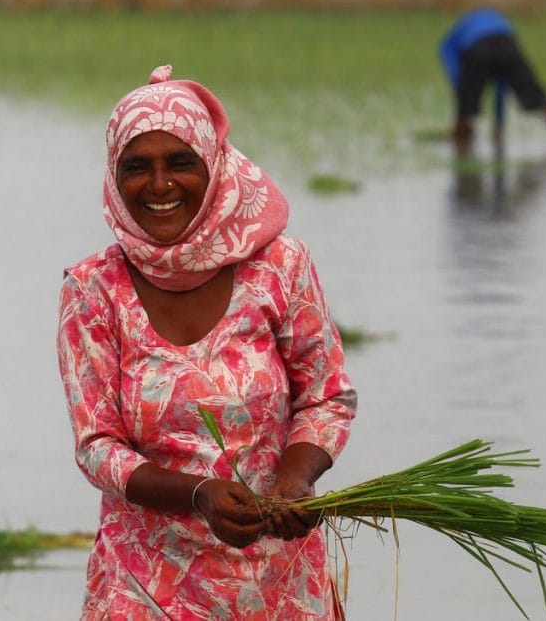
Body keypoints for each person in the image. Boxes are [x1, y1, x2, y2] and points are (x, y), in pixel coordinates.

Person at [57, 64, 357, 619]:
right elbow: (98, 446)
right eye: (136, 167)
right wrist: (199, 495)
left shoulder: (279, 266)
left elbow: (325, 395)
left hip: (279, 578)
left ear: (214, 166)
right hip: (145, 582)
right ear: (114, 177)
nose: (160, 185)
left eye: (180, 163)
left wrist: (295, 478)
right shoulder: (94, 289)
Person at [439, 7, 546, 157]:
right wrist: (499, 127)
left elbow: (445, 49)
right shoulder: (497, 21)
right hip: (508, 45)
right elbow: (502, 84)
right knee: (539, 96)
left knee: (465, 108)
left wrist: (459, 85)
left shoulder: (461, 29)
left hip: (477, 47)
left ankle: (460, 148)